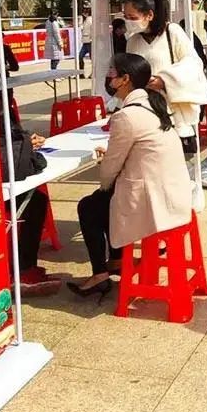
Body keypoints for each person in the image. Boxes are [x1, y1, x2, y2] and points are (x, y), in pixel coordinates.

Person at [68, 53, 193, 298]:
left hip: (154, 198)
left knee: (90, 205)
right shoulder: (154, 103)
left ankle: (100, 273)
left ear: (125, 79)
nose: (108, 78)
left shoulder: (127, 115)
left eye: (112, 73)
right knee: (102, 202)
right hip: (172, 191)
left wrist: (107, 171)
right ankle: (115, 260)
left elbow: (109, 171)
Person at [0, 86, 61, 297]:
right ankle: (22, 271)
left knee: (35, 199)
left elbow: (8, 134)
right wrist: (23, 145)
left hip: (2, 161)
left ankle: (24, 267)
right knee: (34, 203)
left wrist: (25, 141)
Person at [121, 0, 207, 147]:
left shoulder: (172, 32)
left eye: (132, 17)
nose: (128, 21)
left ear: (149, 15)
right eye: (125, 17)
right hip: (144, 113)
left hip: (172, 115)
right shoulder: (132, 42)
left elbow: (193, 63)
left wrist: (165, 80)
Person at [78, 7, 94, 77]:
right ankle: (81, 73)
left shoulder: (90, 20)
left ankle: (92, 73)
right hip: (85, 42)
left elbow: (92, 30)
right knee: (80, 56)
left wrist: (91, 39)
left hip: (90, 42)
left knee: (92, 58)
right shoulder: (85, 20)